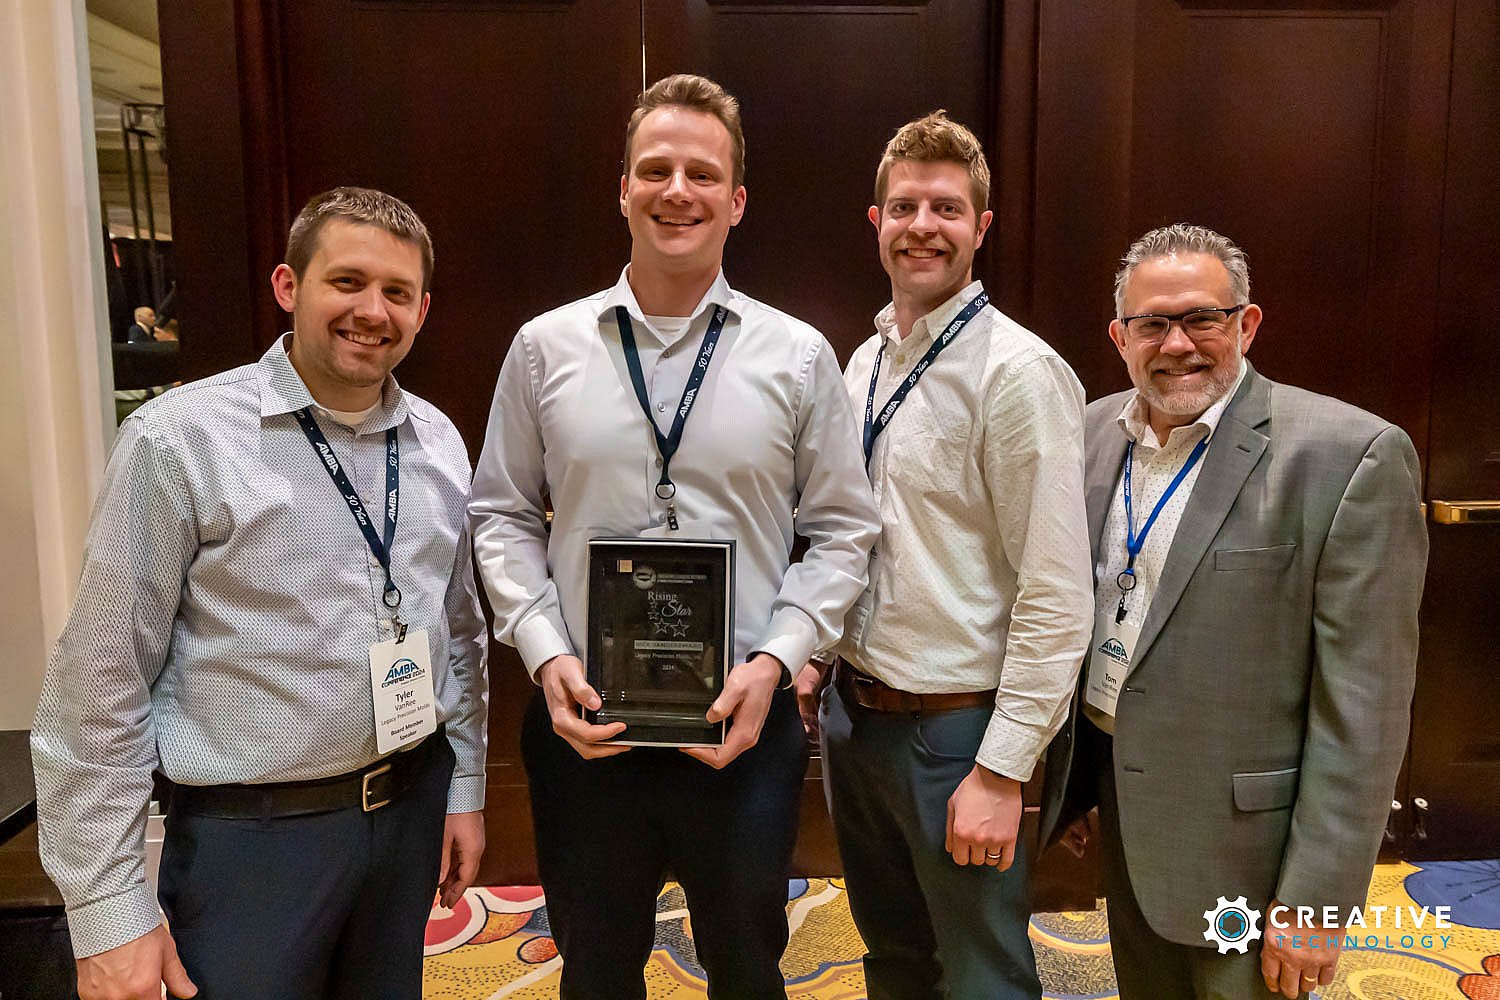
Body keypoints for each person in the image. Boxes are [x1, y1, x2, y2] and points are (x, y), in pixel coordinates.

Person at [469, 74, 879, 999]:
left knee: (746, 966)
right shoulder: (544, 347)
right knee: (596, 970)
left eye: (702, 173)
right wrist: (542, 651)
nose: (677, 191)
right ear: (623, 190)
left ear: (737, 201)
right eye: (654, 170)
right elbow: (500, 513)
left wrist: (777, 662)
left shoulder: (797, 355)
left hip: (741, 724)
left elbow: (844, 529)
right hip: (586, 726)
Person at [32, 186, 490, 1000]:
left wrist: (463, 788)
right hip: (252, 842)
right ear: (289, 286)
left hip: (406, 811)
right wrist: (107, 909)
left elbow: (458, 633)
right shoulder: (180, 442)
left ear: (422, 310)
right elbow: (99, 684)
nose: (372, 311)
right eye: (346, 281)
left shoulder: (439, 442)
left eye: (397, 292)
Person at [1039, 223, 1427, 1000]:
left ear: (1246, 324)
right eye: (1153, 323)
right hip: (1125, 809)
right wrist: (1077, 781)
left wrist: (1317, 900)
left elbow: (1364, 711)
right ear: (1120, 337)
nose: (1177, 344)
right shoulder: (1087, 434)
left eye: (1202, 318)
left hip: (1253, 852)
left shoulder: (1350, 455)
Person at [795, 111, 1093, 999]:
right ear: (876, 220)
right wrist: (816, 655)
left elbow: (1056, 592)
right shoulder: (864, 362)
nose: (922, 226)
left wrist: (1002, 770)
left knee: (982, 975)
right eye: (904, 207)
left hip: (956, 734)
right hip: (856, 719)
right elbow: (854, 534)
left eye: (947, 209)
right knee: (894, 959)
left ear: (981, 227)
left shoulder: (1018, 373)